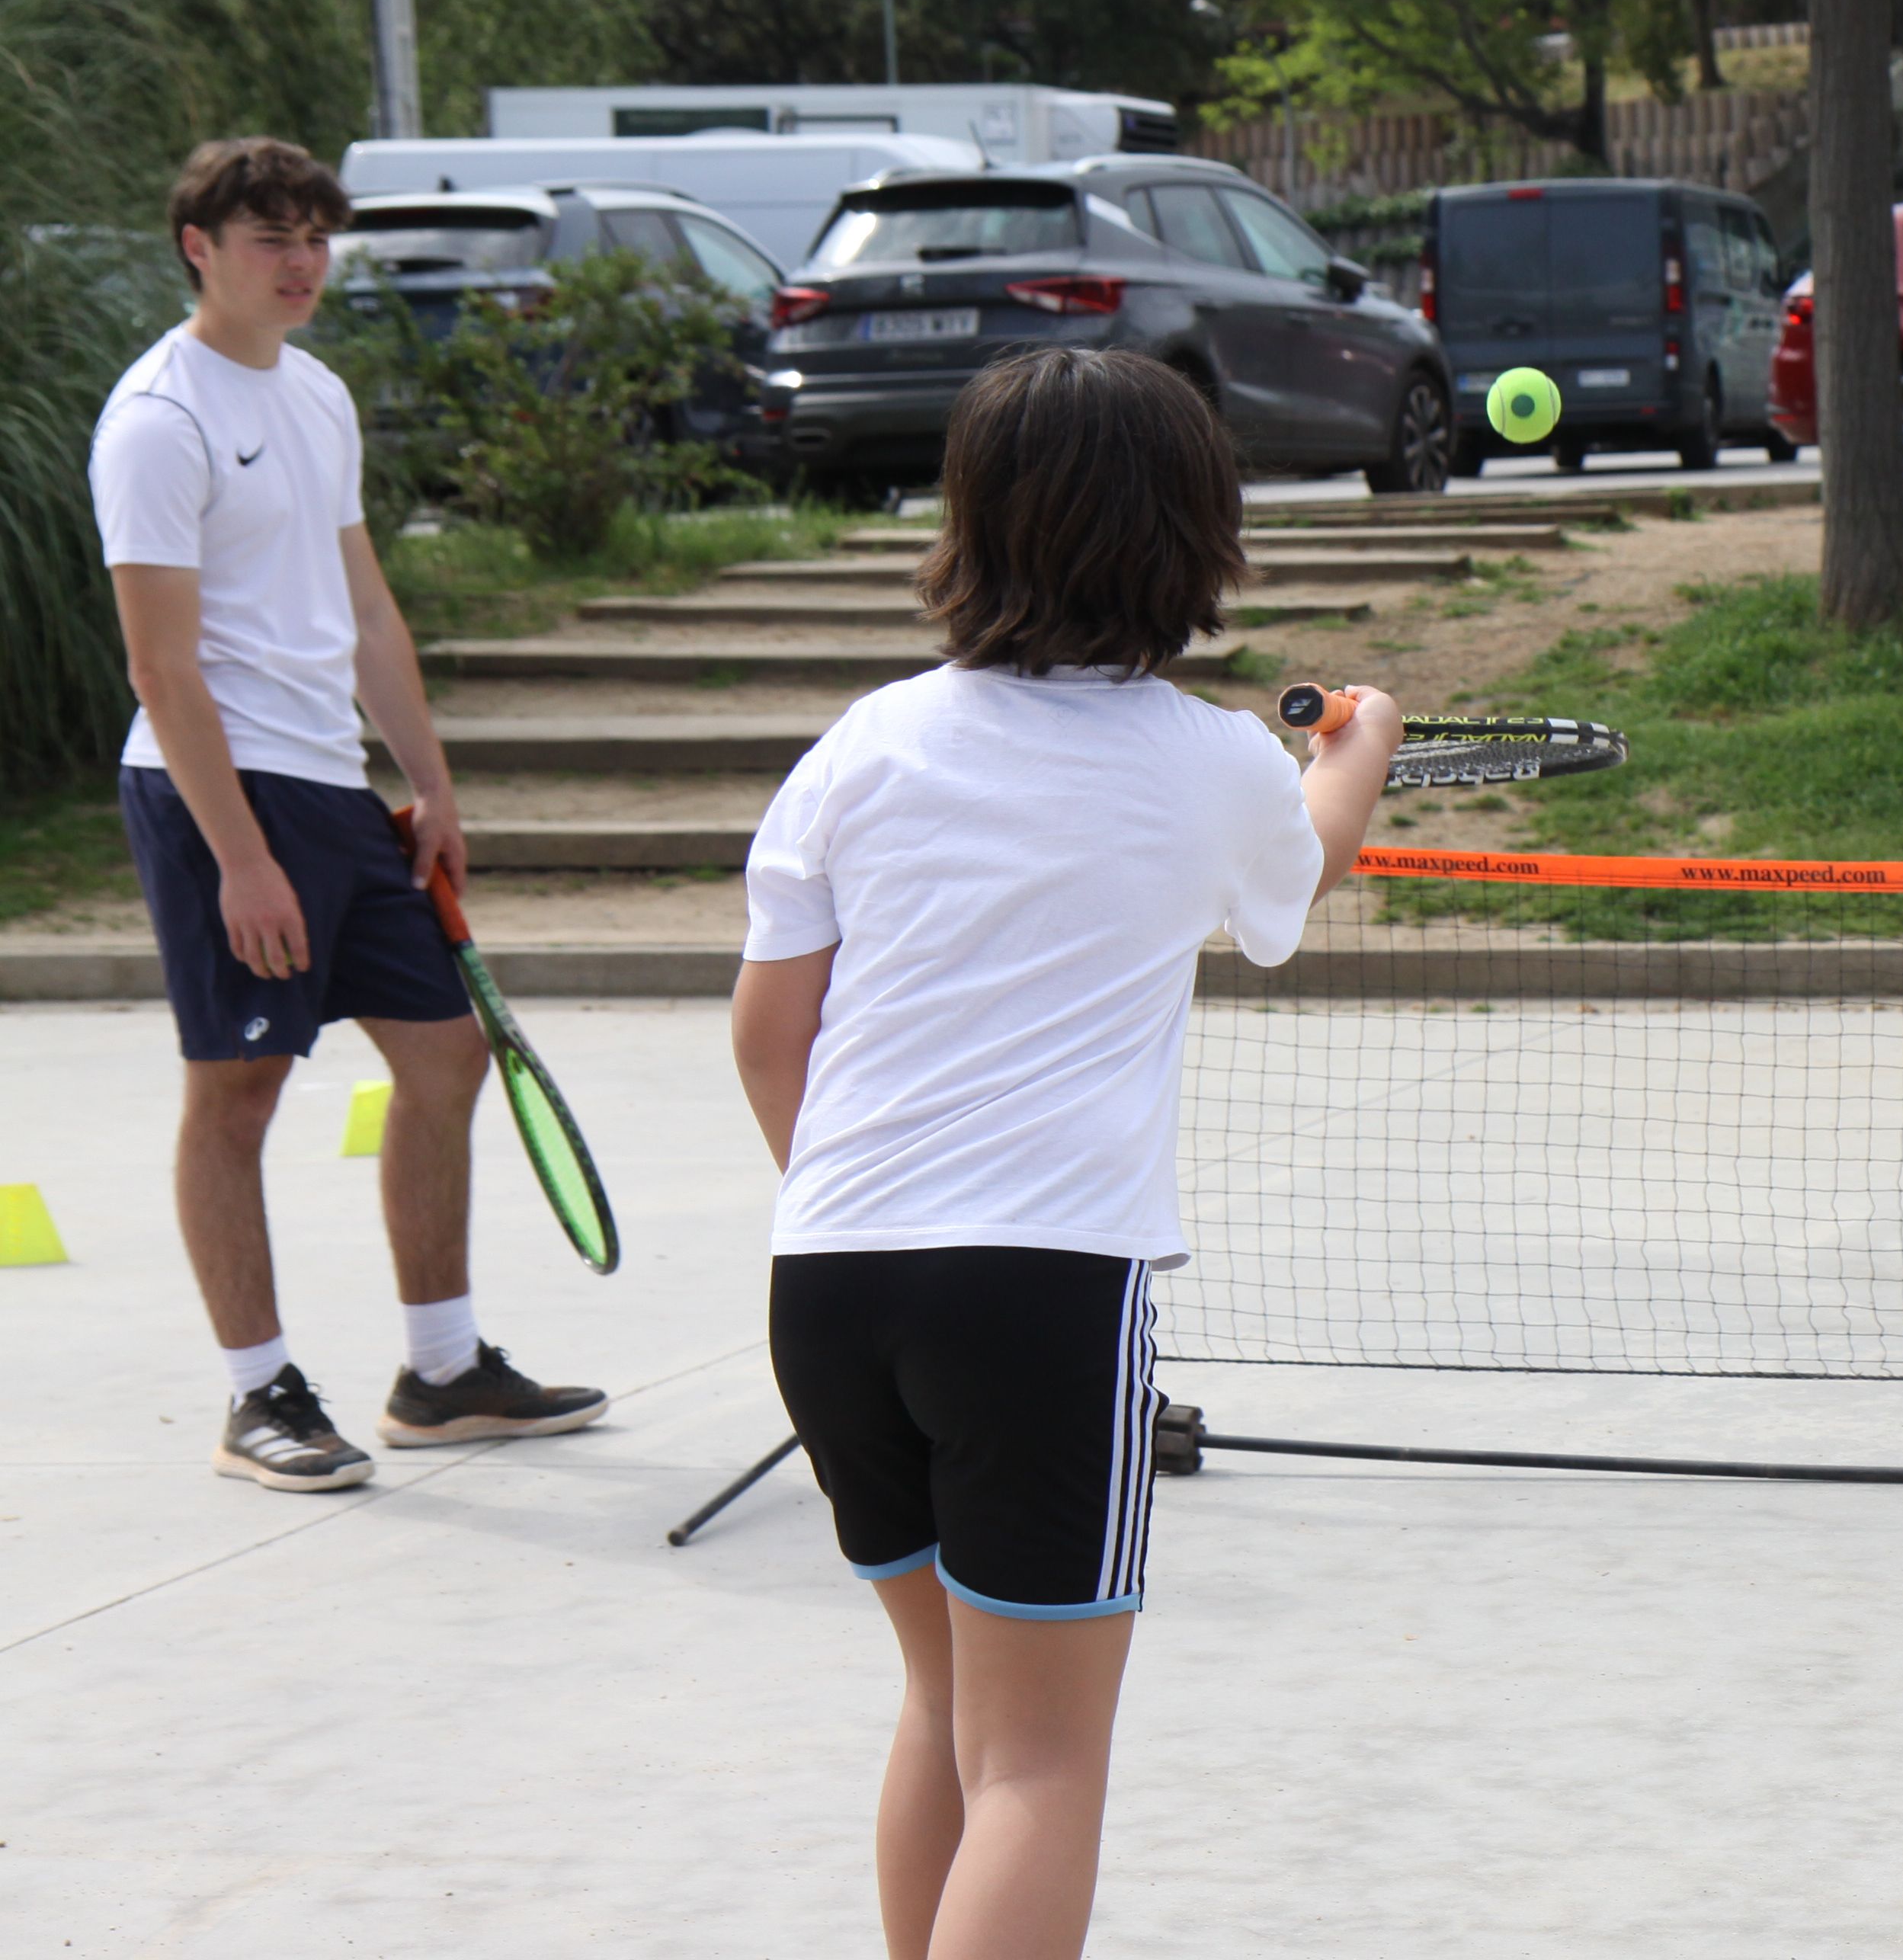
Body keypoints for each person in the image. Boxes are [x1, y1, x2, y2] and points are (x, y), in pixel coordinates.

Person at [732, 344, 1399, 1960]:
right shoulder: (1216, 761)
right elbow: (1289, 887)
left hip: (826, 1284)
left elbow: (768, 1033)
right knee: (1040, 1765)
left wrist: (853, 1209)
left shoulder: (862, 747)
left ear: (973, 526)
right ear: (1193, 539)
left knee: (948, 1703)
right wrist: (1360, 747)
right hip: (1036, 1300)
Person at [93, 136, 607, 1492]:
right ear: (200, 248)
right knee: (238, 1091)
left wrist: (428, 779)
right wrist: (242, 858)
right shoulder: (160, 417)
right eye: (272, 239)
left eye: (317, 237)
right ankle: (258, 1396)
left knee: (447, 1058)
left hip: (333, 787)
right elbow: (162, 664)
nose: (303, 262)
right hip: (218, 794)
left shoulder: (316, 394)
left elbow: (366, 607)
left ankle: (441, 1374)